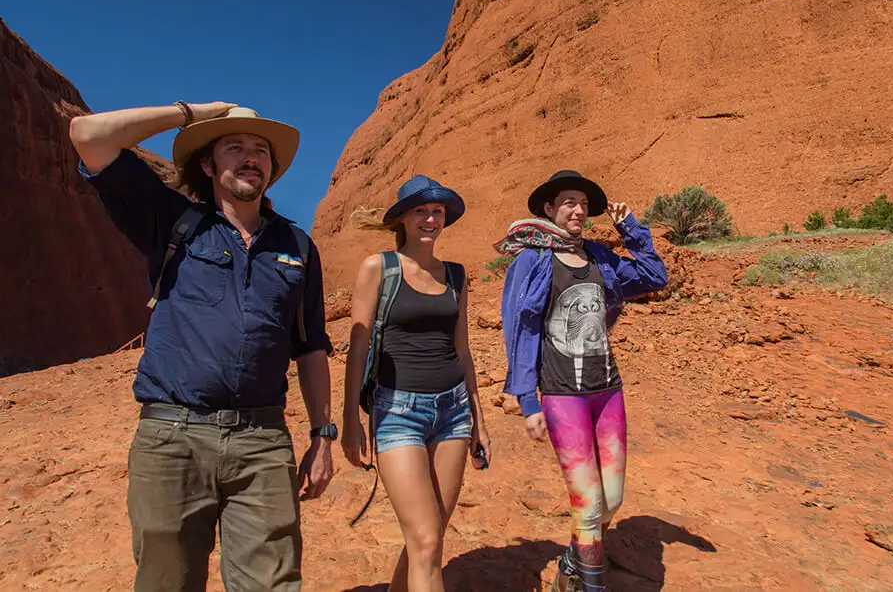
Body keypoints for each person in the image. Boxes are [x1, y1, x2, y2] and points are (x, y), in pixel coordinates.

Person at [69, 101, 336, 592]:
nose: (250, 158)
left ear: (272, 169)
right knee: (167, 583)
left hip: (262, 442)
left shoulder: (297, 248)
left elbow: (311, 346)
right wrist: (196, 114)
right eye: (234, 147)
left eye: (260, 150)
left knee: (274, 586)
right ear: (209, 165)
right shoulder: (172, 220)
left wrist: (323, 435)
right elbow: (88, 135)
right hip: (172, 440)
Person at [497, 170, 668, 592]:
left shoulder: (597, 256)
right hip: (561, 394)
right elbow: (519, 328)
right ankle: (590, 585)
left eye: (582, 204)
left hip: (608, 390)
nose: (577, 210)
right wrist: (526, 398)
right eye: (568, 202)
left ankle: (572, 560)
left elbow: (653, 276)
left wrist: (630, 229)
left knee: (611, 501)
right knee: (588, 504)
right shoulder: (531, 260)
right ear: (550, 210)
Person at [342, 175, 492, 592]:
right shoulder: (379, 268)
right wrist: (351, 419)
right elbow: (357, 347)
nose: (430, 219)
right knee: (426, 539)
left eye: (437, 212)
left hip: (454, 411)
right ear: (404, 219)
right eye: (421, 211)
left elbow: (463, 350)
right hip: (397, 413)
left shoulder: (457, 276)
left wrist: (479, 419)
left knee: (428, 538)